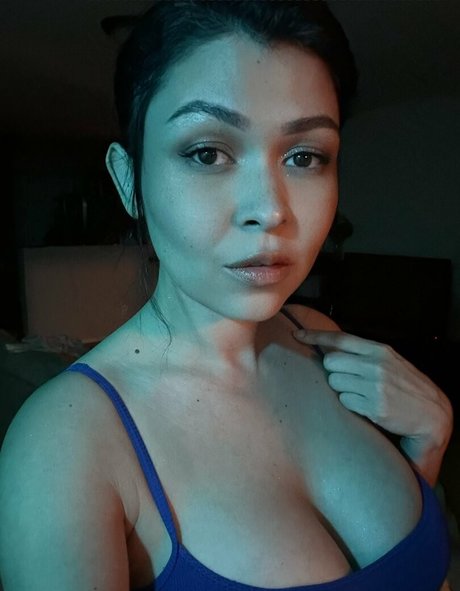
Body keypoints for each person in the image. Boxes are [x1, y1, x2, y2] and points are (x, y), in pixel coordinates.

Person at [0, 1, 454, 590]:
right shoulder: (64, 444)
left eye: (304, 156)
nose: (270, 210)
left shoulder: (317, 337)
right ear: (129, 180)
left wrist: (426, 450)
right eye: (207, 153)